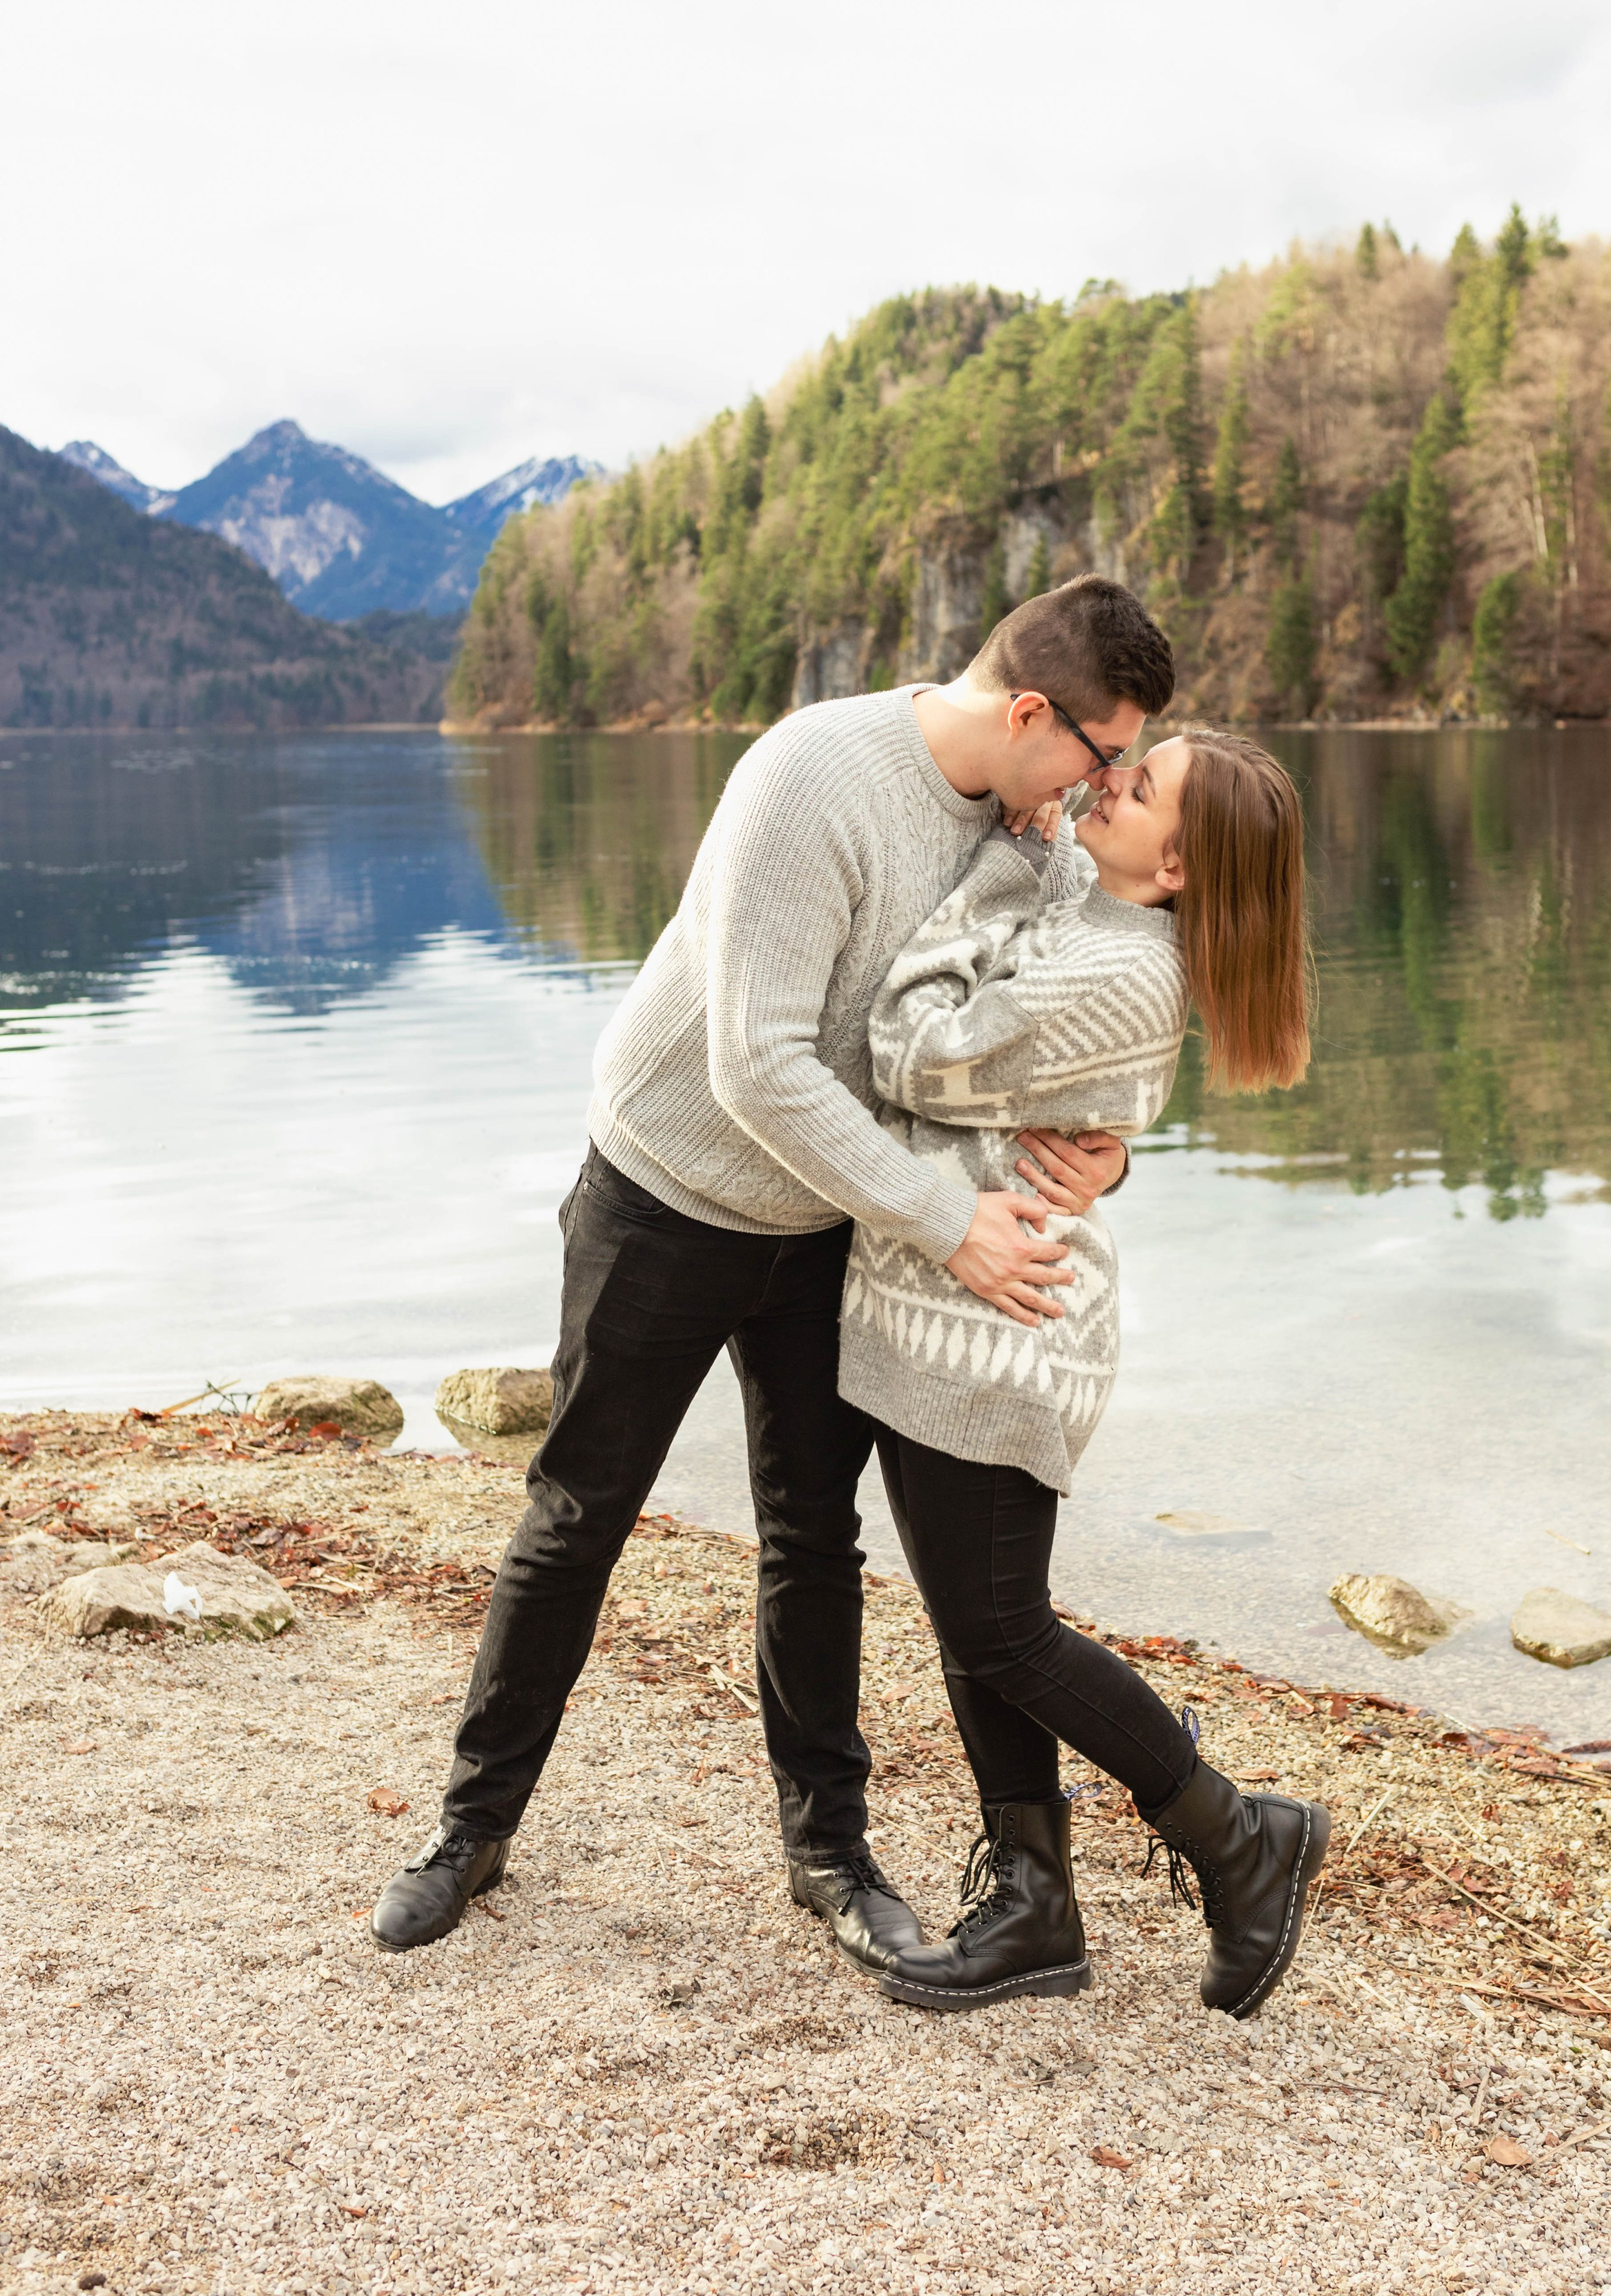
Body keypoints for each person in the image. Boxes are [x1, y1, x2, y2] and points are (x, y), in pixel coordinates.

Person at [370, 576, 1176, 1975]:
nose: (1099, 790)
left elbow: (1060, 1022)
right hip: (667, 1190)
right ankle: (470, 1829)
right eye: (1102, 756)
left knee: (812, 1536)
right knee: (579, 1515)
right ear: (1033, 714)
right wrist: (948, 1220)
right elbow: (757, 1063)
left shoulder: (1037, 835)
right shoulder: (812, 777)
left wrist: (1107, 1151)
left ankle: (829, 1851)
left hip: (827, 1227)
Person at [838, 728, 1330, 2018]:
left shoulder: (1122, 965)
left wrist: (1004, 864)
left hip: (1007, 1331)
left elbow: (907, 1049)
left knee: (1005, 1627)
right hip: (942, 1309)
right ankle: (1033, 1905)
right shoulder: (1091, 900)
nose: (1110, 778)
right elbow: (1010, 1065)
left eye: (1141, 785)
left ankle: (1238, 1834)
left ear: (1176, 867)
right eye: (1130, 758)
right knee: (974, 1623)